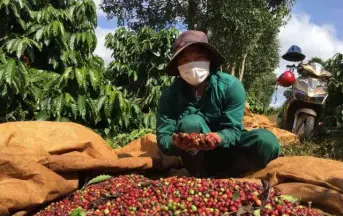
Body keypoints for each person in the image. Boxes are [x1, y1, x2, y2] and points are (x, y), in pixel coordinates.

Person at [156, 30, 281, 178]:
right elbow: (163, 137)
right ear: (177, 65)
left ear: (208, 59)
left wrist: (219, 137)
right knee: (190, 123)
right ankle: (200, 174)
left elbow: (233, 130)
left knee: (266, 141)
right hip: (195, 157)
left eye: (198, 58)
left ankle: (234, 171)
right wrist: (176, 144)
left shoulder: (230, 86)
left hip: (230, 152)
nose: (192, 65)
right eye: (185, 61)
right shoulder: (169, 96)